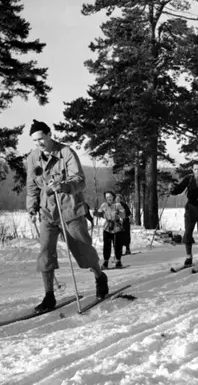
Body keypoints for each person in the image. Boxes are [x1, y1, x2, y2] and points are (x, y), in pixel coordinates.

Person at [26, 119, 108, 312]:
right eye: (34, 140)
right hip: (47, 212)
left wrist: (63, 186)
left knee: (83, 252)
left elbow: (80, 180)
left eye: (40, 138)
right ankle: (49, 296)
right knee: (45, 254)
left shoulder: (66, 153)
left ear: (49, 135)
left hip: (70, 211)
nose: (38, 143)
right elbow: (31, 186)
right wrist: (32, 208)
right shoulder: (33, 157)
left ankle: (99, 276)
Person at [169, 161, 198, 268]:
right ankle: (188, 257)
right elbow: (179, 189)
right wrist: (172, 189)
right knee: (188, 231)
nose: (197, 171)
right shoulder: (188, 179)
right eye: (195, 169)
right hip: (191, 208)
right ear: (192, 170)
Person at [93, 191, 128, 269]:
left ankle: (118, 261)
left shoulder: (118, 205)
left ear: (113, 197)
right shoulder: (104, 205)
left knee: (117, 245)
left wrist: (119, 213)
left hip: (116, 227)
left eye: (110, 197)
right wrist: (96, 213)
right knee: (106, 245)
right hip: (107, 227)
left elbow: (123, 215)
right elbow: (100, 213)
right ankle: (105, 262)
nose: (109, 198)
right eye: (107, 197)